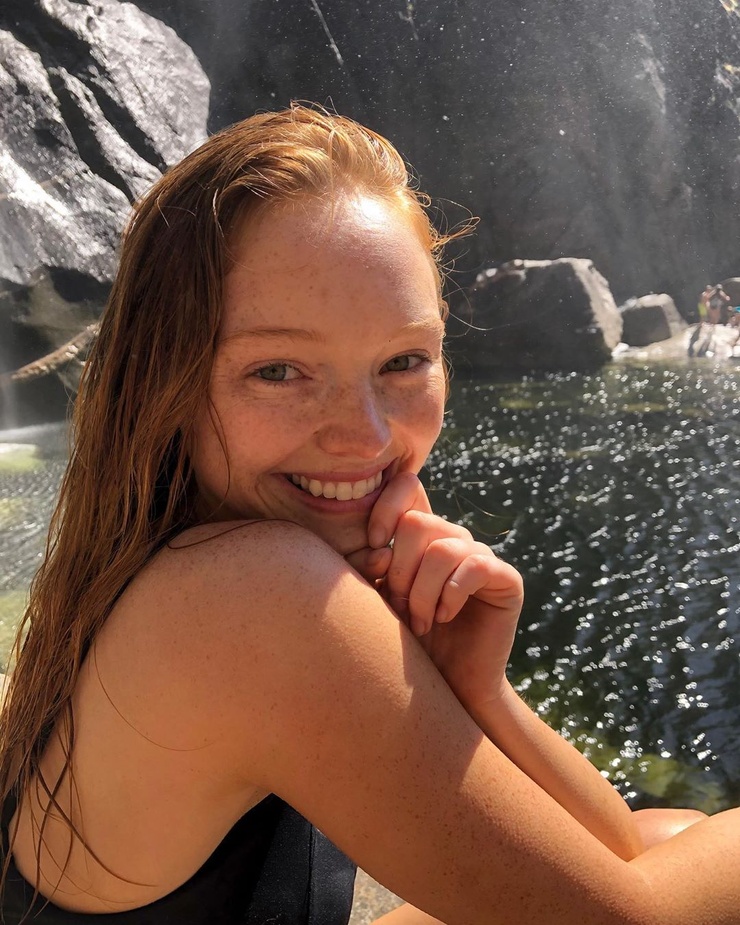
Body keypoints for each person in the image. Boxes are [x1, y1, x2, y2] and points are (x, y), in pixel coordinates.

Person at [0, 105, 738, 925]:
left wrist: (477, 689)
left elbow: (614, 855)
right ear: (161, 382)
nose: (368, 437)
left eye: (404, 360)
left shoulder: (148, 555)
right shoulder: (257, 594)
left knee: (669, 830)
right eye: (279, 370)